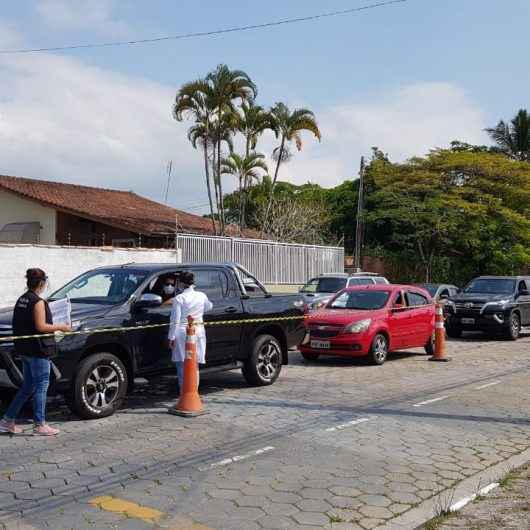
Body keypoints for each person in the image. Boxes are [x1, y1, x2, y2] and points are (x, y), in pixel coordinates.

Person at [0, 269, 71, 436]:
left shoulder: (22, 299)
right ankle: (40, 425)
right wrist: (61, 326)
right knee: (41, 386)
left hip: (24, 349)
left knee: (27, 387)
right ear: (41, 283)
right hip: (38, 351)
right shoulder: (37, 302)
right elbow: (41, 326)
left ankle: (7, 421)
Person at [168, 272, 212, 393]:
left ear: (181, 283)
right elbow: (209, 307)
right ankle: (193, 393)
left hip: (183, 333)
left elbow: (175, 320)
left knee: (182, 365)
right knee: (194, 364)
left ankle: (184, 393)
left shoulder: (179, 298)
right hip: (198, 332)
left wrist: (171, 337)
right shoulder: (202, 295)